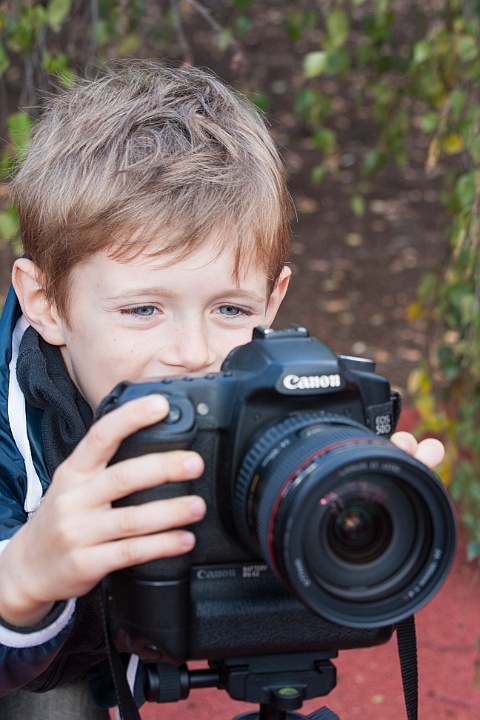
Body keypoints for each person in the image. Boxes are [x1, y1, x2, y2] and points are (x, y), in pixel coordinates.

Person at [0, 60, 444, 718]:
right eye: (143, 309)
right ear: (46, 303)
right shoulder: (10, 438)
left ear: (273, 298)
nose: (193, 354)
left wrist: (363, 508)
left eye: (230, 309)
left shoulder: (267, 392)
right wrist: (20, 578)